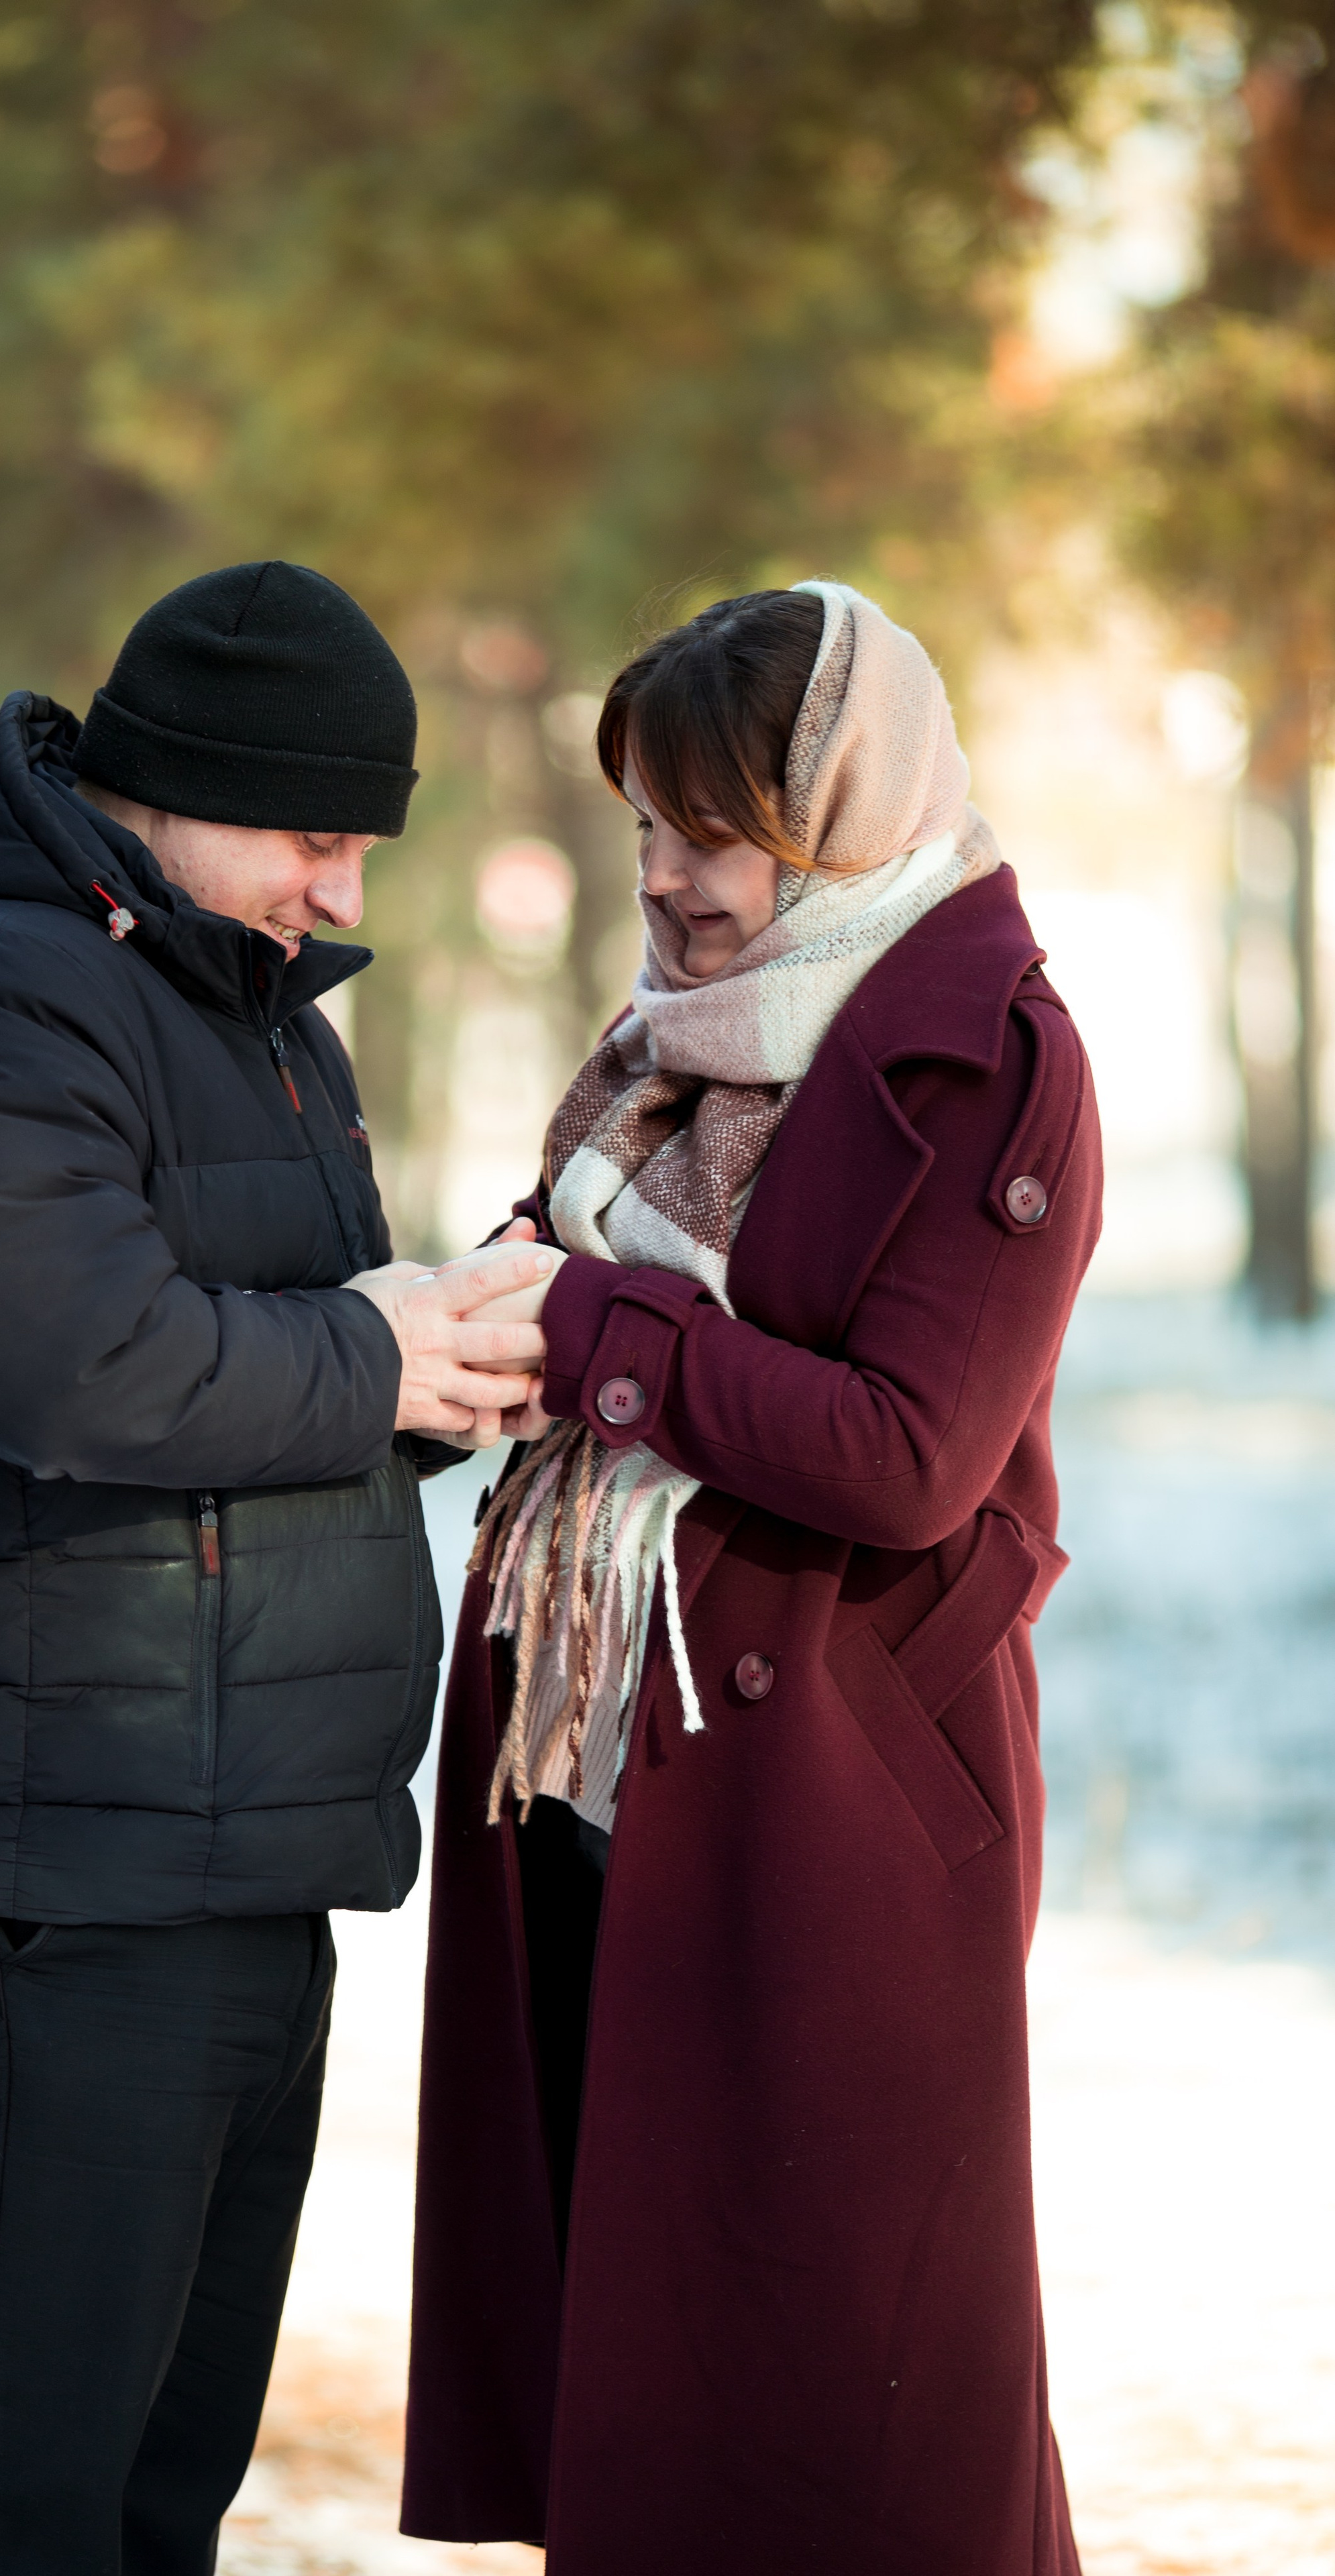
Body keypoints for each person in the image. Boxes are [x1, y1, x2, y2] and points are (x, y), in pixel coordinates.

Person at [0, 559, 554, 2575]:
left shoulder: (253, 1022)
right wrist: (380, 1345)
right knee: (22, 2501)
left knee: (158, 2492)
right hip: (60, 1867)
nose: (343, 891)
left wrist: (438, 1366)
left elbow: (268, 1358)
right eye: (313, 834)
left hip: (229, 1851)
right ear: (184, 787)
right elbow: (78, 1365)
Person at [402, 582, 1102, 2575]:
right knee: (650, 2379)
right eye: (643, 827)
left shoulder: (996, 1063)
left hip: (834, 1799)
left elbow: (910, 1456)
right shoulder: (668, 1051)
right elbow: (574, 1272)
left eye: (711, 834)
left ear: (843, 815)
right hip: (605, 1763)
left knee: (855, 2407)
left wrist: (606, 1330)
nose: (668, 879)